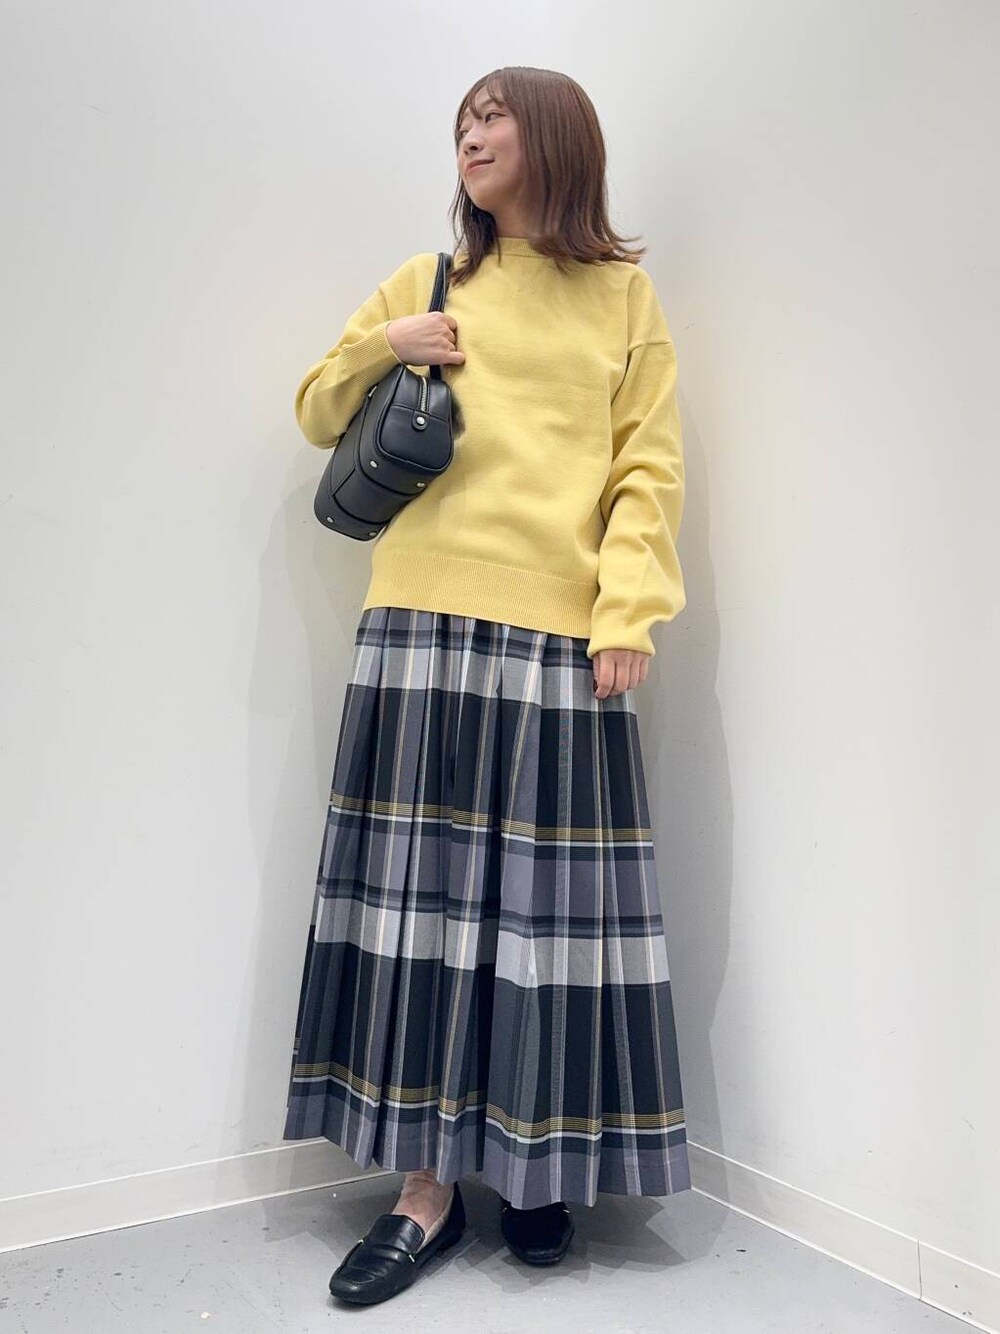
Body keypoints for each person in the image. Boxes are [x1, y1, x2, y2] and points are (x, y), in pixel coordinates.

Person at [282, 65, 691, 1308]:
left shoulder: (624, 297)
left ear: (555, 138)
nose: (472, 134)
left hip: (560, 635)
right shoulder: (429, 280)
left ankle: (533, 1167)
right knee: (419, 914)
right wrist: (386, 344)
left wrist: (627, 609)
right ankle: (422, 1192)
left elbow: (646, 469)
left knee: (545, 926)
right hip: (417, 623)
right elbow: (315, 410)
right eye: (464, 121)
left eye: (493, 116)